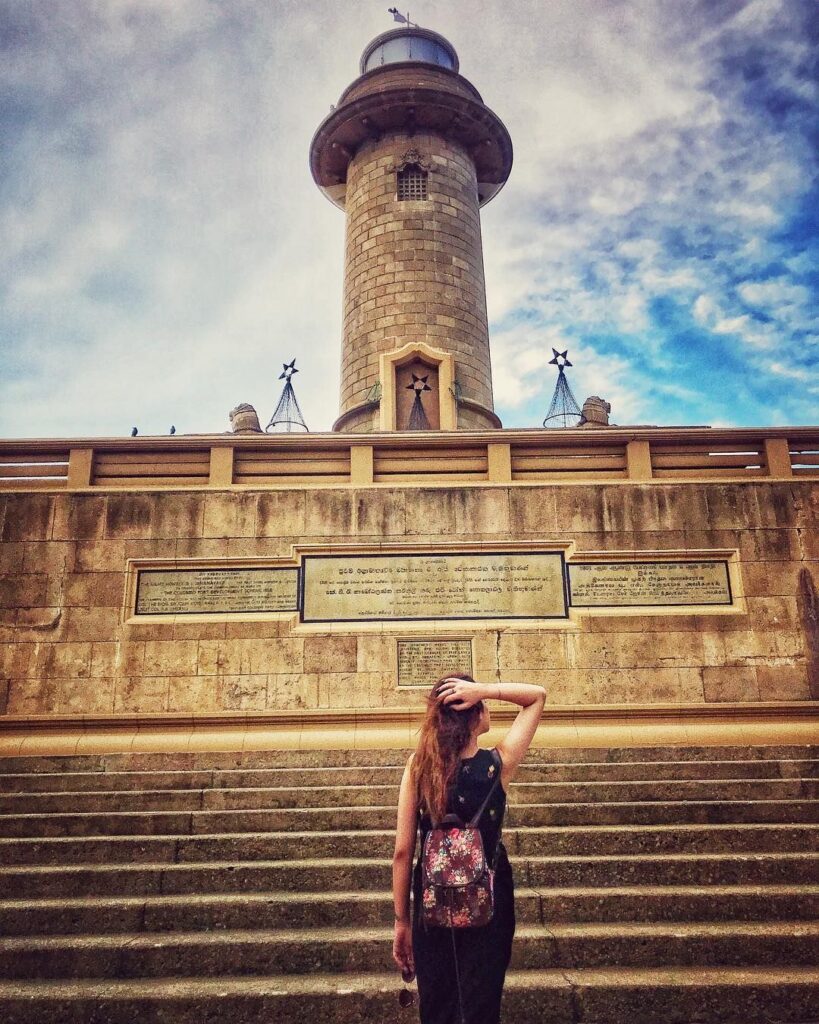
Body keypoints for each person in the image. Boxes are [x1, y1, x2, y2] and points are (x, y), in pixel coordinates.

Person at [392, 672, 547, 1024]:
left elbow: (403, 851)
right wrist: (486, 689)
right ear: (475, 715)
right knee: (482, 1003)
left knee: (438, 1005)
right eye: (485, 705)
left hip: (432, 903)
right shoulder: (498, 764)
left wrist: (402, 921)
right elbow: (536, 696)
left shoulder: (418, 768)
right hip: (489, 900)